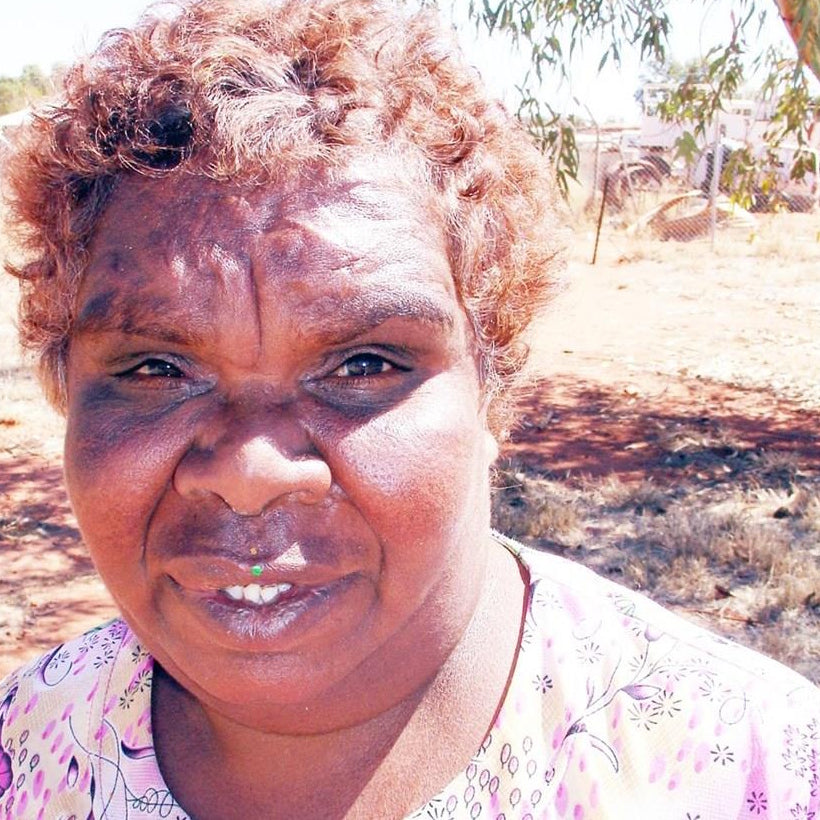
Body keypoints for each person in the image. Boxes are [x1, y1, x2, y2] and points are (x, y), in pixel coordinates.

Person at [0, 1, 817, 817]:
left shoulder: (755, 773)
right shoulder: (24, 744)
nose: (251, 474)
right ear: (66, 388)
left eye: (363, 365)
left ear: (491, 389)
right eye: (156, 369)